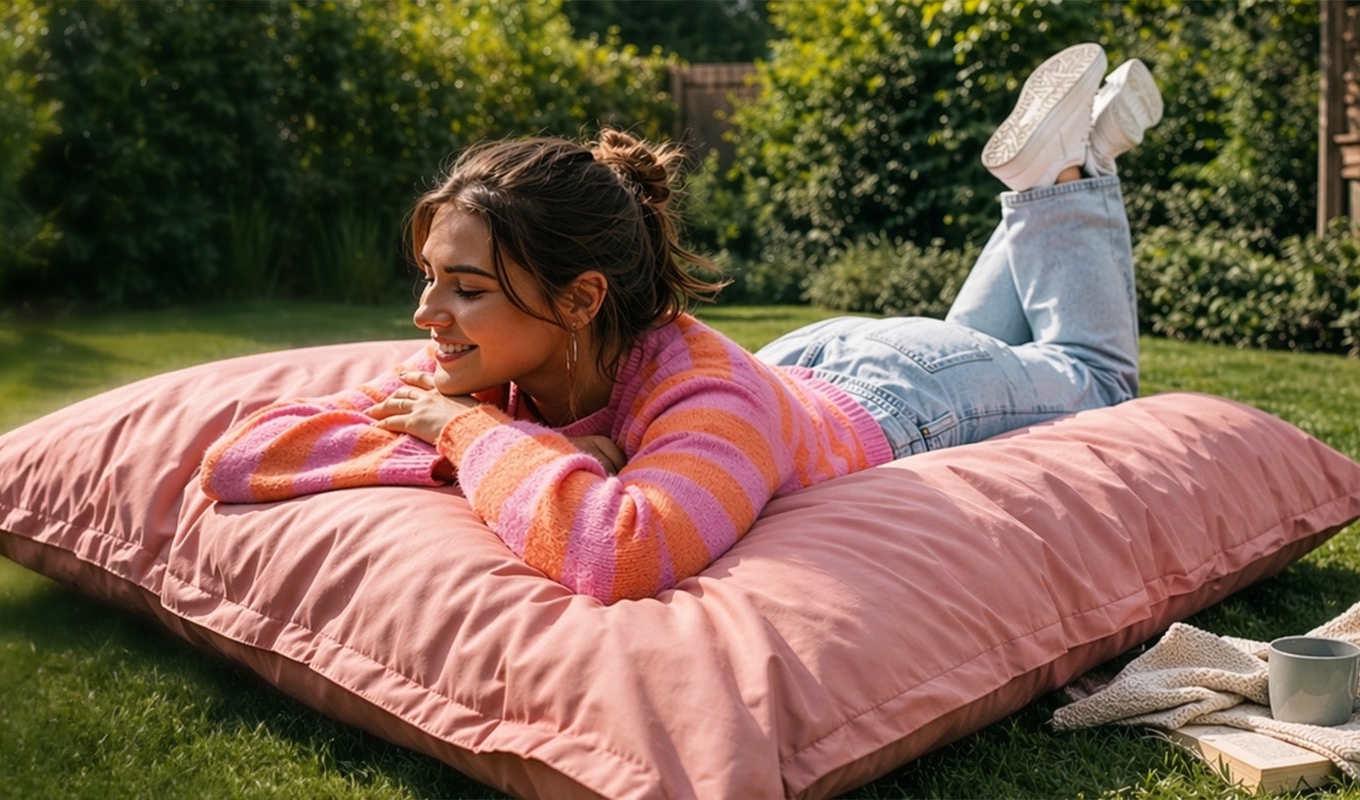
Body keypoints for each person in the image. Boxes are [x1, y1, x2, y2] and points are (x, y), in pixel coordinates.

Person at [199, 43, 1164, 604]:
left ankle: (1077, 170)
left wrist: (468, 433)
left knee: (1090, 374)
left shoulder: (698, 397)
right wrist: (480, 437)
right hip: (809, 365)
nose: (424, 314)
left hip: (901, 402)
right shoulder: (489, 367)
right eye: (429, 279)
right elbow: (244, 460)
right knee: (1005, 345)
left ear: (579, 301)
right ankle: (1061, 166)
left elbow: (621, 550)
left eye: (464, 287)